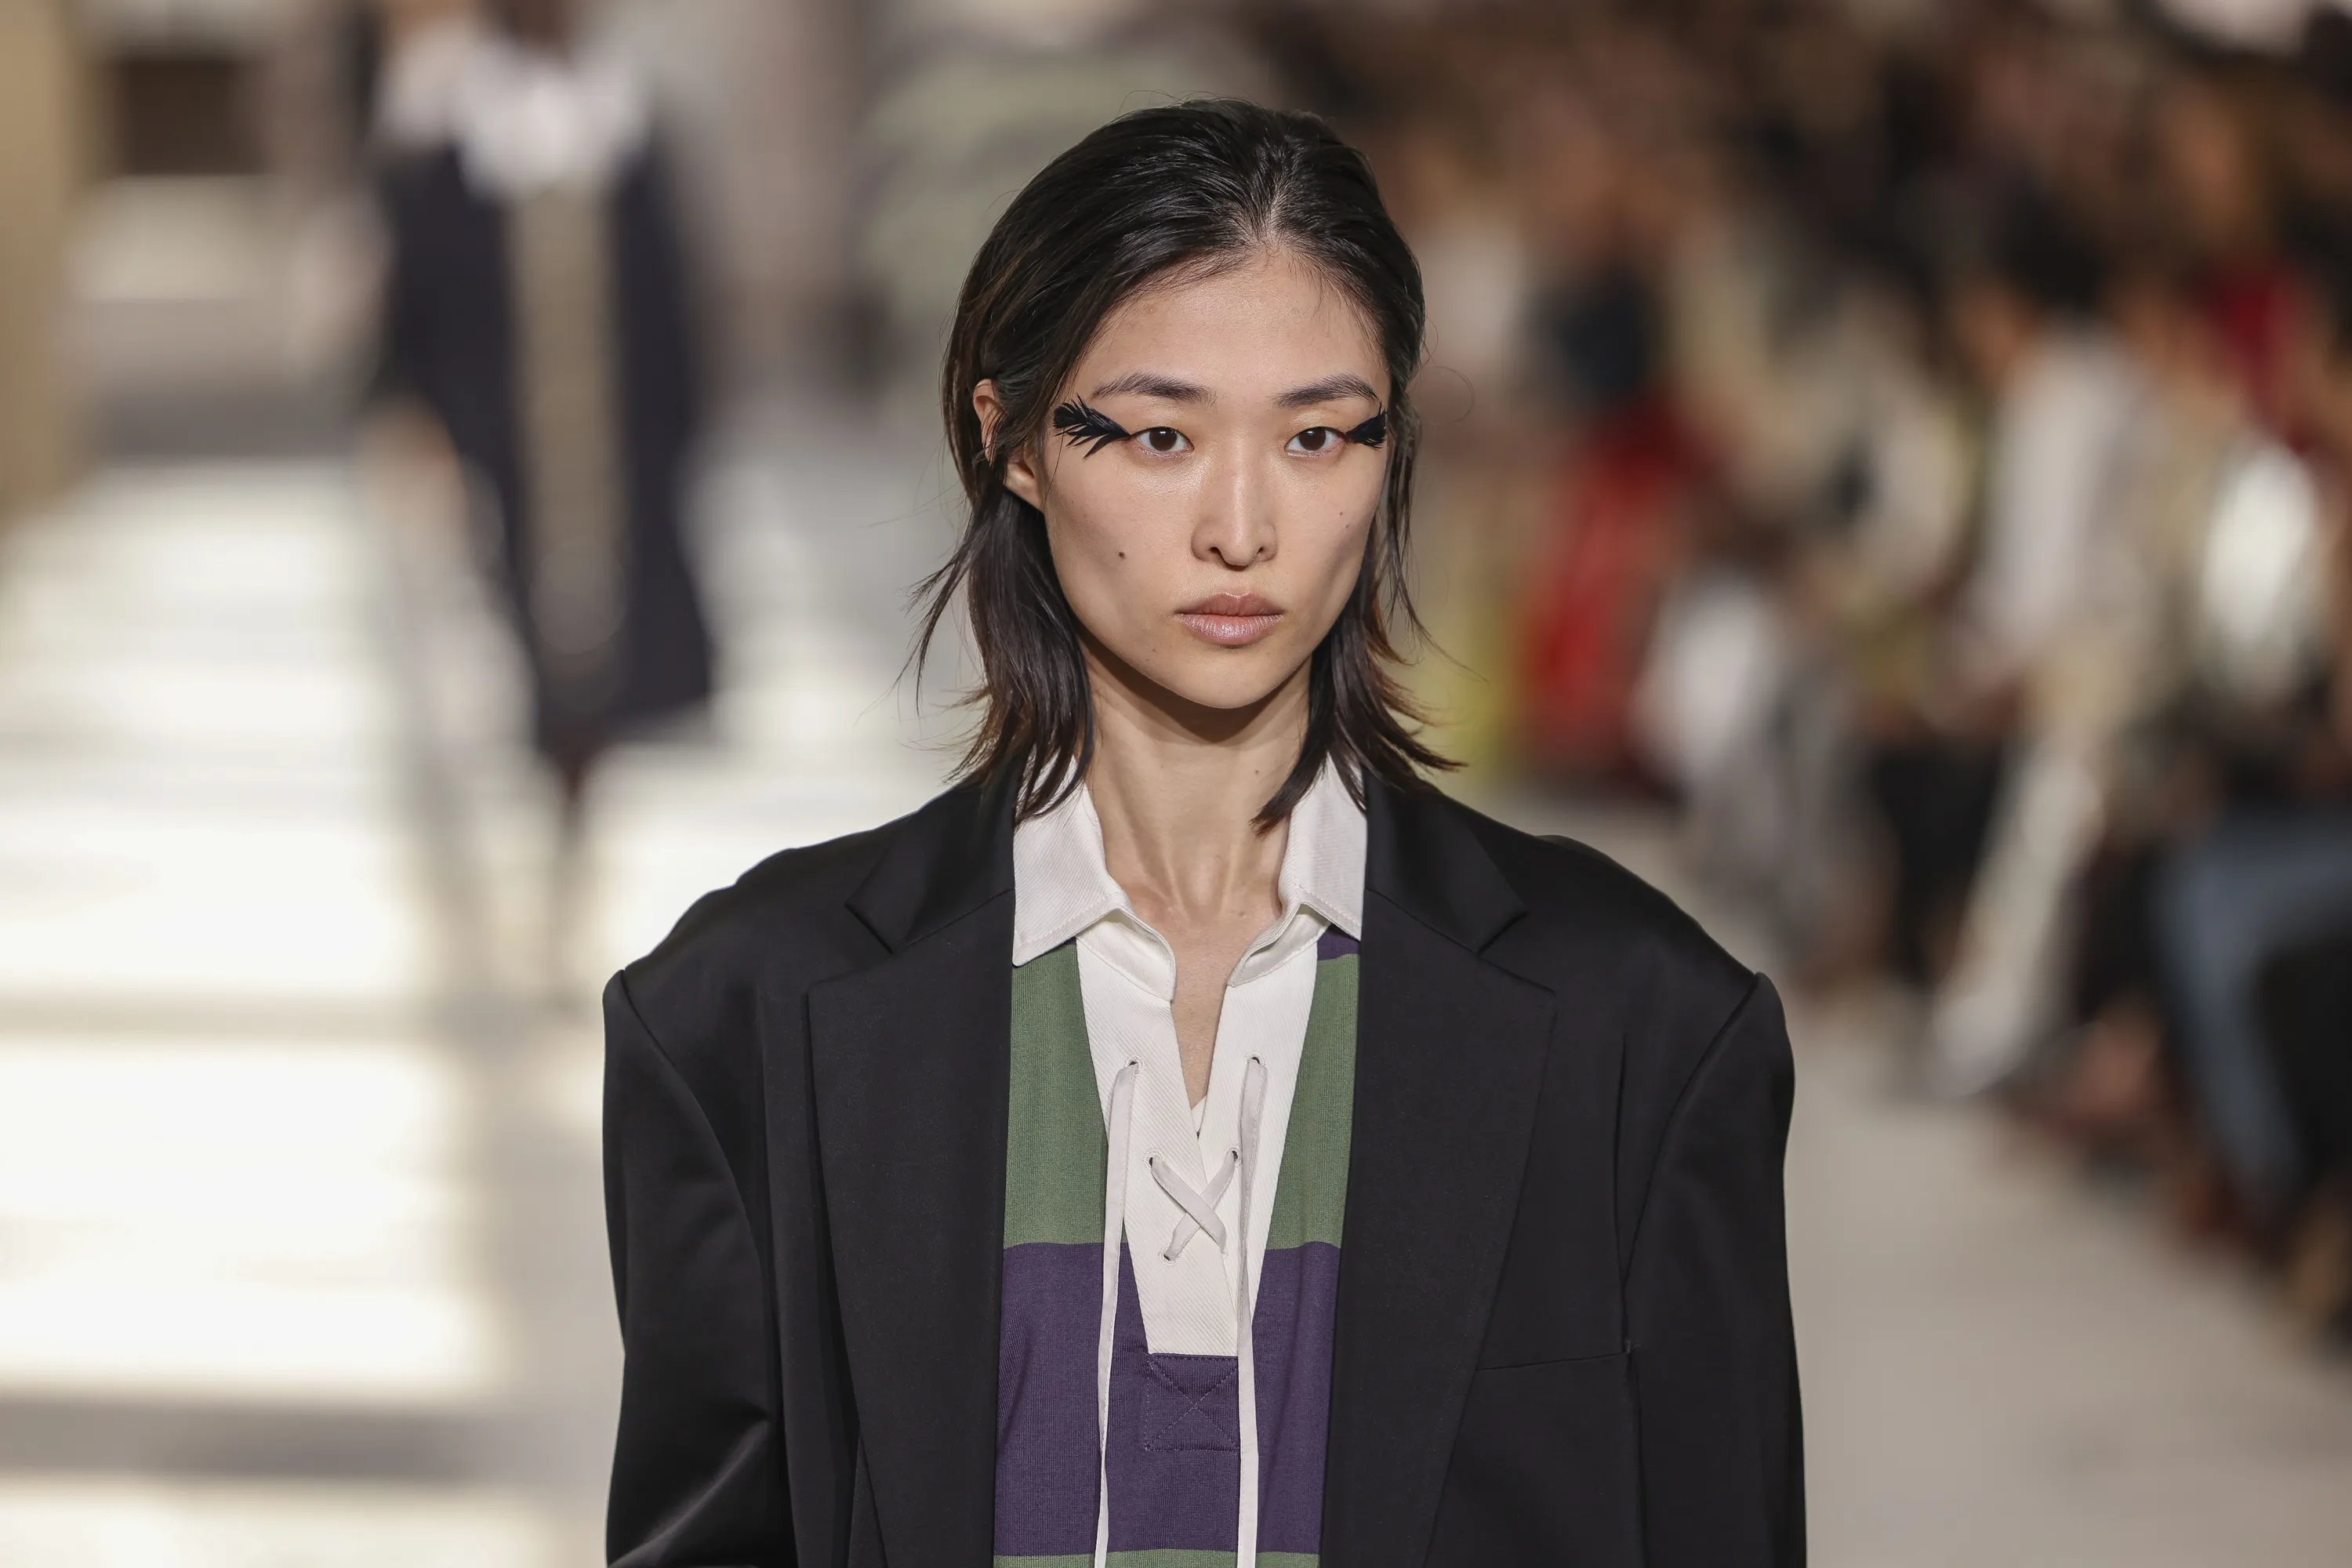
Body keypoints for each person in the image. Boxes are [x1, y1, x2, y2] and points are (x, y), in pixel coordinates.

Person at [601, 100, 1802, 1568]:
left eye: (1318, 436)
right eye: (1162, 435)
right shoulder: (740, 1021)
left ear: (1391, 449)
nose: (1243, 527)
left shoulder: (1645, 1032)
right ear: (1010, 441)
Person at [373, 0, 713, 986]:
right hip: (497, 454)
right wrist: (419, 426)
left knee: (589, 665)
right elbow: (416, 304)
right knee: (505, 662)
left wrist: (680, 443)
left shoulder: (631, 129)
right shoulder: (450, 137)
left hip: (610, 456)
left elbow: (675, 304)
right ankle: (531, 854)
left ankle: (569, 852)